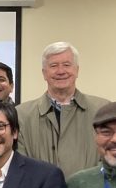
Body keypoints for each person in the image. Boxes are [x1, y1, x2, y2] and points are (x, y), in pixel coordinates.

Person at [16, 42, 109, 178]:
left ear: (77, 70)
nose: (60, 71)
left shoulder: (102, 110)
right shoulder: (21, 115)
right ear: (44, 73)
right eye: (53, 66)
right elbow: (20, 166)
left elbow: (110, 159)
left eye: (67, 65)